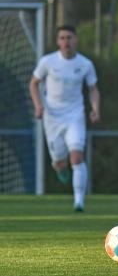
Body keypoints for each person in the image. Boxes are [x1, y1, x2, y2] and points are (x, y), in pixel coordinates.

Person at [29, 25, 100, 212]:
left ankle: (79, 201)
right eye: (62, 38)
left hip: (75, 114)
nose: (66, 41)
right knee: (60, 162)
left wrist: (95, 109)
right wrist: (38, 105)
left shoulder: (85, 64)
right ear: (57, 41)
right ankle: (60, 168)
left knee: (77, 155)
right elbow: (34, 84)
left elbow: (93, 89)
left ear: (75, 40)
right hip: (52, 117)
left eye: (69, 37)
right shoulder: (47, 62)